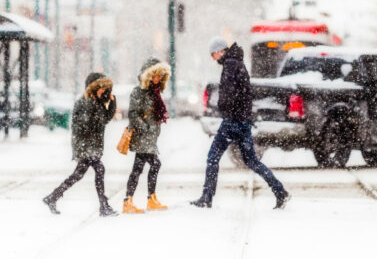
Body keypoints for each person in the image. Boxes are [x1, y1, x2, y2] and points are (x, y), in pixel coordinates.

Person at [191, 37, 290, 209]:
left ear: (220, 51)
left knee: (212, 158)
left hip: (232, 121)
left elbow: (229, 94)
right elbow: (244, 93)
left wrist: (223, 106)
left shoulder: (230, 65)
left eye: (213, 54)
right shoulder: (238, 63)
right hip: (243, 121)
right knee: (252, 161)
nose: (214, 58)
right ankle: (280, 191)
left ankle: (207, 197)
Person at [43, 72, 117, 216]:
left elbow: (106, 119)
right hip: (85, 145)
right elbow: (84, 125)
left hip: (91, 145)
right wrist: (94, 116)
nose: (103, 90)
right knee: (99, 169)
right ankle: (103, 206)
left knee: (78, 175)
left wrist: (112, 102)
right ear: (93, 87)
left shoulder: (97, 102)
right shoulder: (85, 102)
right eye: (101, 87)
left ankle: (52, 197)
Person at [122, 57, 171, 213]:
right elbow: (133, 114)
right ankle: (138, 200)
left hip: (150, 137)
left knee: (140, 168)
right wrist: (145, 128)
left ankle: (139, 200)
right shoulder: (139, 91)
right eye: (156, 75)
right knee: (151, 165)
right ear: (148, 75)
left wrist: (153, 129)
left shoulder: (154, 91)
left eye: (161, 75)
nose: (158, 78)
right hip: (142, 136)